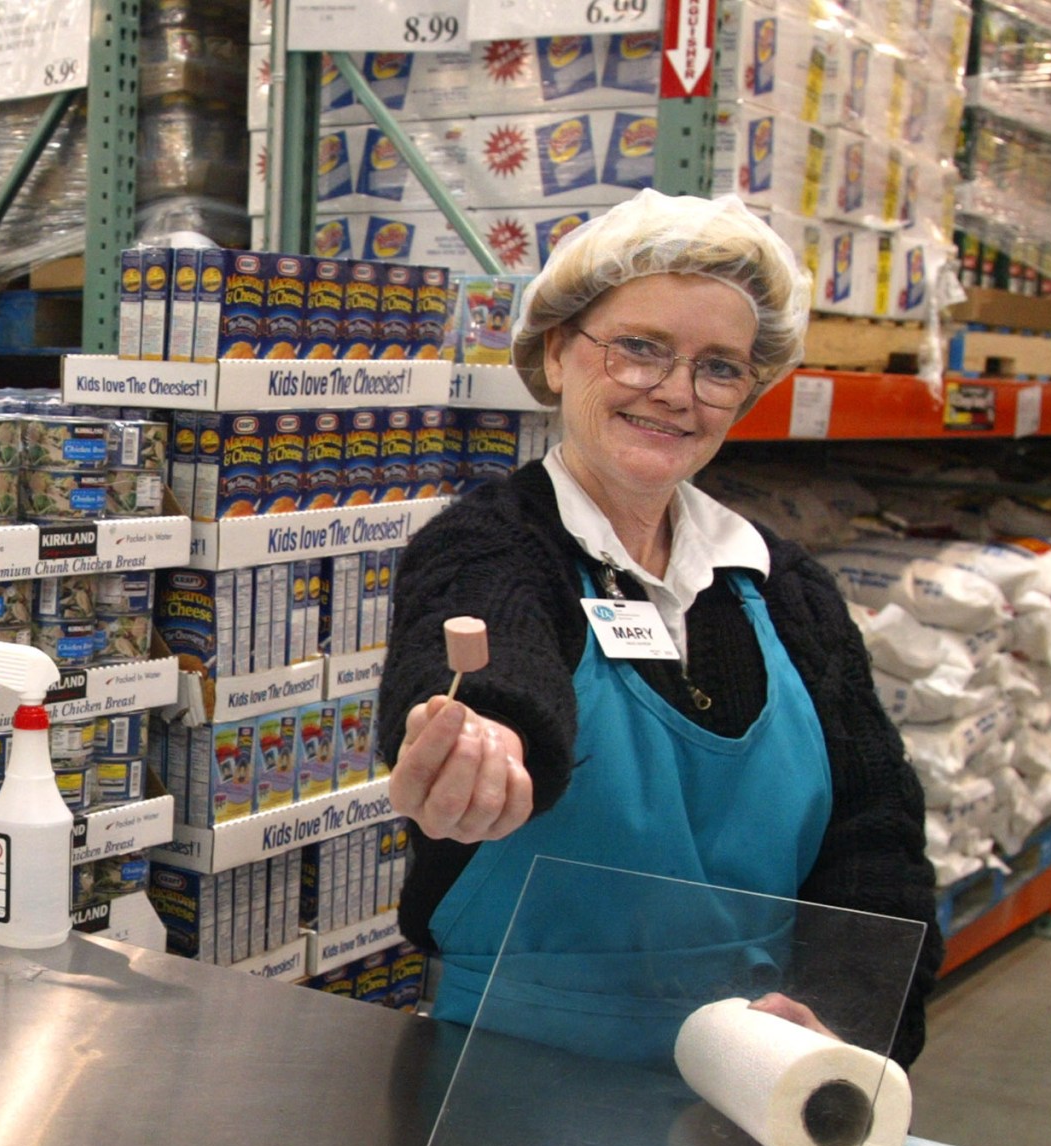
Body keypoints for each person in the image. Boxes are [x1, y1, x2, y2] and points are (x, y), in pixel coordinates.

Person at [380, 192, 938, 1070]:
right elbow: (497, 652)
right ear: (558, 353)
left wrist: (846, 1022)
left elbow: (875, 836)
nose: (675, 392)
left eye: (718, 367)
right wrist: (484, 739)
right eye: (640, 348)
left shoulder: (786, 590)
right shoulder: (492, 545)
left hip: (754, 1081)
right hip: (505, 1081)